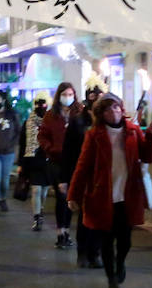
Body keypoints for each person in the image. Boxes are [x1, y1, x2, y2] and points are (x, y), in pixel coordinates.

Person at [67, 94, 152, 288]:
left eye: (116, 108)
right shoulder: (94, 135)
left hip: (128, 196)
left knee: (125, 240)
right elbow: (82, 166)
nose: (114, 112)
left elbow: (148, 156)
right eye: (108, 109)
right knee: (106, 241)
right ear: (101, 114)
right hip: (102, 196)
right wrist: (74, 194)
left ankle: (120, 263)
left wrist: (151, 135)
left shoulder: (133, 131)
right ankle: (112, 281)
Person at [59, 80, 107, 265]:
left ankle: (95, 253)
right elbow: (68, 152)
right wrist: (65, 179)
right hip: (82, 174)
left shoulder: (107, 120)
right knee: (85, 215)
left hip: (102, 176)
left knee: (101, 216)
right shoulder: (77, 122)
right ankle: (83, 252)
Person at [39, 82, 81, 250]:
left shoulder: (79, 113)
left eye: (70, 94)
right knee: (62, 196)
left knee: (70, 198)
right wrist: (50, 149)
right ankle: (60, 231)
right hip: (57, 161)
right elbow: (42, 136)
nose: (68, 98)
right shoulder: (51, 115)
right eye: (65, 94)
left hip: (74, 161)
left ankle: (67, 231)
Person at [18, 92, 52, 231]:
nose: (40, 106)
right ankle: (37, 217)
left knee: (44, 190)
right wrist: (20, 163)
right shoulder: (28, 122)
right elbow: (22, 142)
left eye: (43, 103)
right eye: (37, 103)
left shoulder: (51, 122)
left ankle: (41, 209)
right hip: (32, 158)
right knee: (36, 189)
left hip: (48, 159)